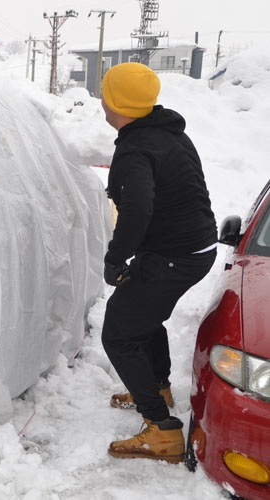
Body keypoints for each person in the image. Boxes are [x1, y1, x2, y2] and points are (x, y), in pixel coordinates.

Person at [98, 62, 217, 463]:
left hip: (174, 255)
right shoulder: (165, 132)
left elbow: (136, 211)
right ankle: (157, 387)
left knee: (118, 332)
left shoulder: (136, 148)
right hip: (190, 249)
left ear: (113, 103)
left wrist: (116, 258)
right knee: (142, 314)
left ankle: (161, 429)